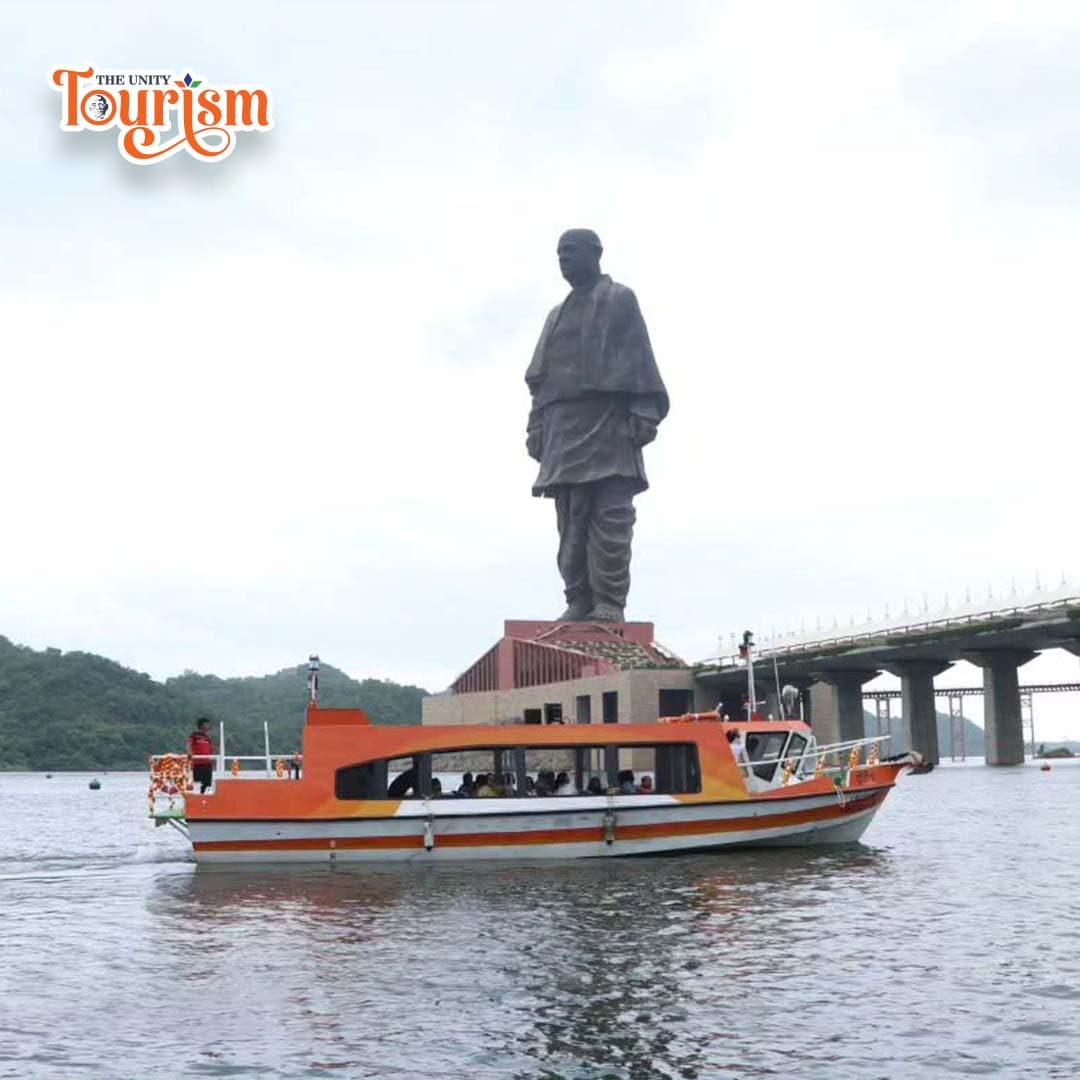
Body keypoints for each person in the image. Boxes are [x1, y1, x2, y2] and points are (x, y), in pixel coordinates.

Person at [525, 229, 669, 621]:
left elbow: (639, 357)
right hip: (561, 427)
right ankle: (578, 598)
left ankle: (609, 601)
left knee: (610, 515)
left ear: (596, 253)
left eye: (571, 251)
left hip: (607, 422)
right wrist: (535, 425)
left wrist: (643, 409)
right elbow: (539, 382)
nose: (564, 259)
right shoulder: (556, 314)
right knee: (569, 519)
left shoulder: (619, 299)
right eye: (559, 253)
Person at [187, 717, 215, 793]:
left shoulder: (208, 738)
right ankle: (198, 800)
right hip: (197, 765)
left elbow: (211, 749)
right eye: (206, 724)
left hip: (207, 765)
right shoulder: (194, 735)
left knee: (207, 785)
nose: (208, 726)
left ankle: (205, 800)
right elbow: (189, 744)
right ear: (202, 725)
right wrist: (189, 753)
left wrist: (212, 759)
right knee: (197, 784)